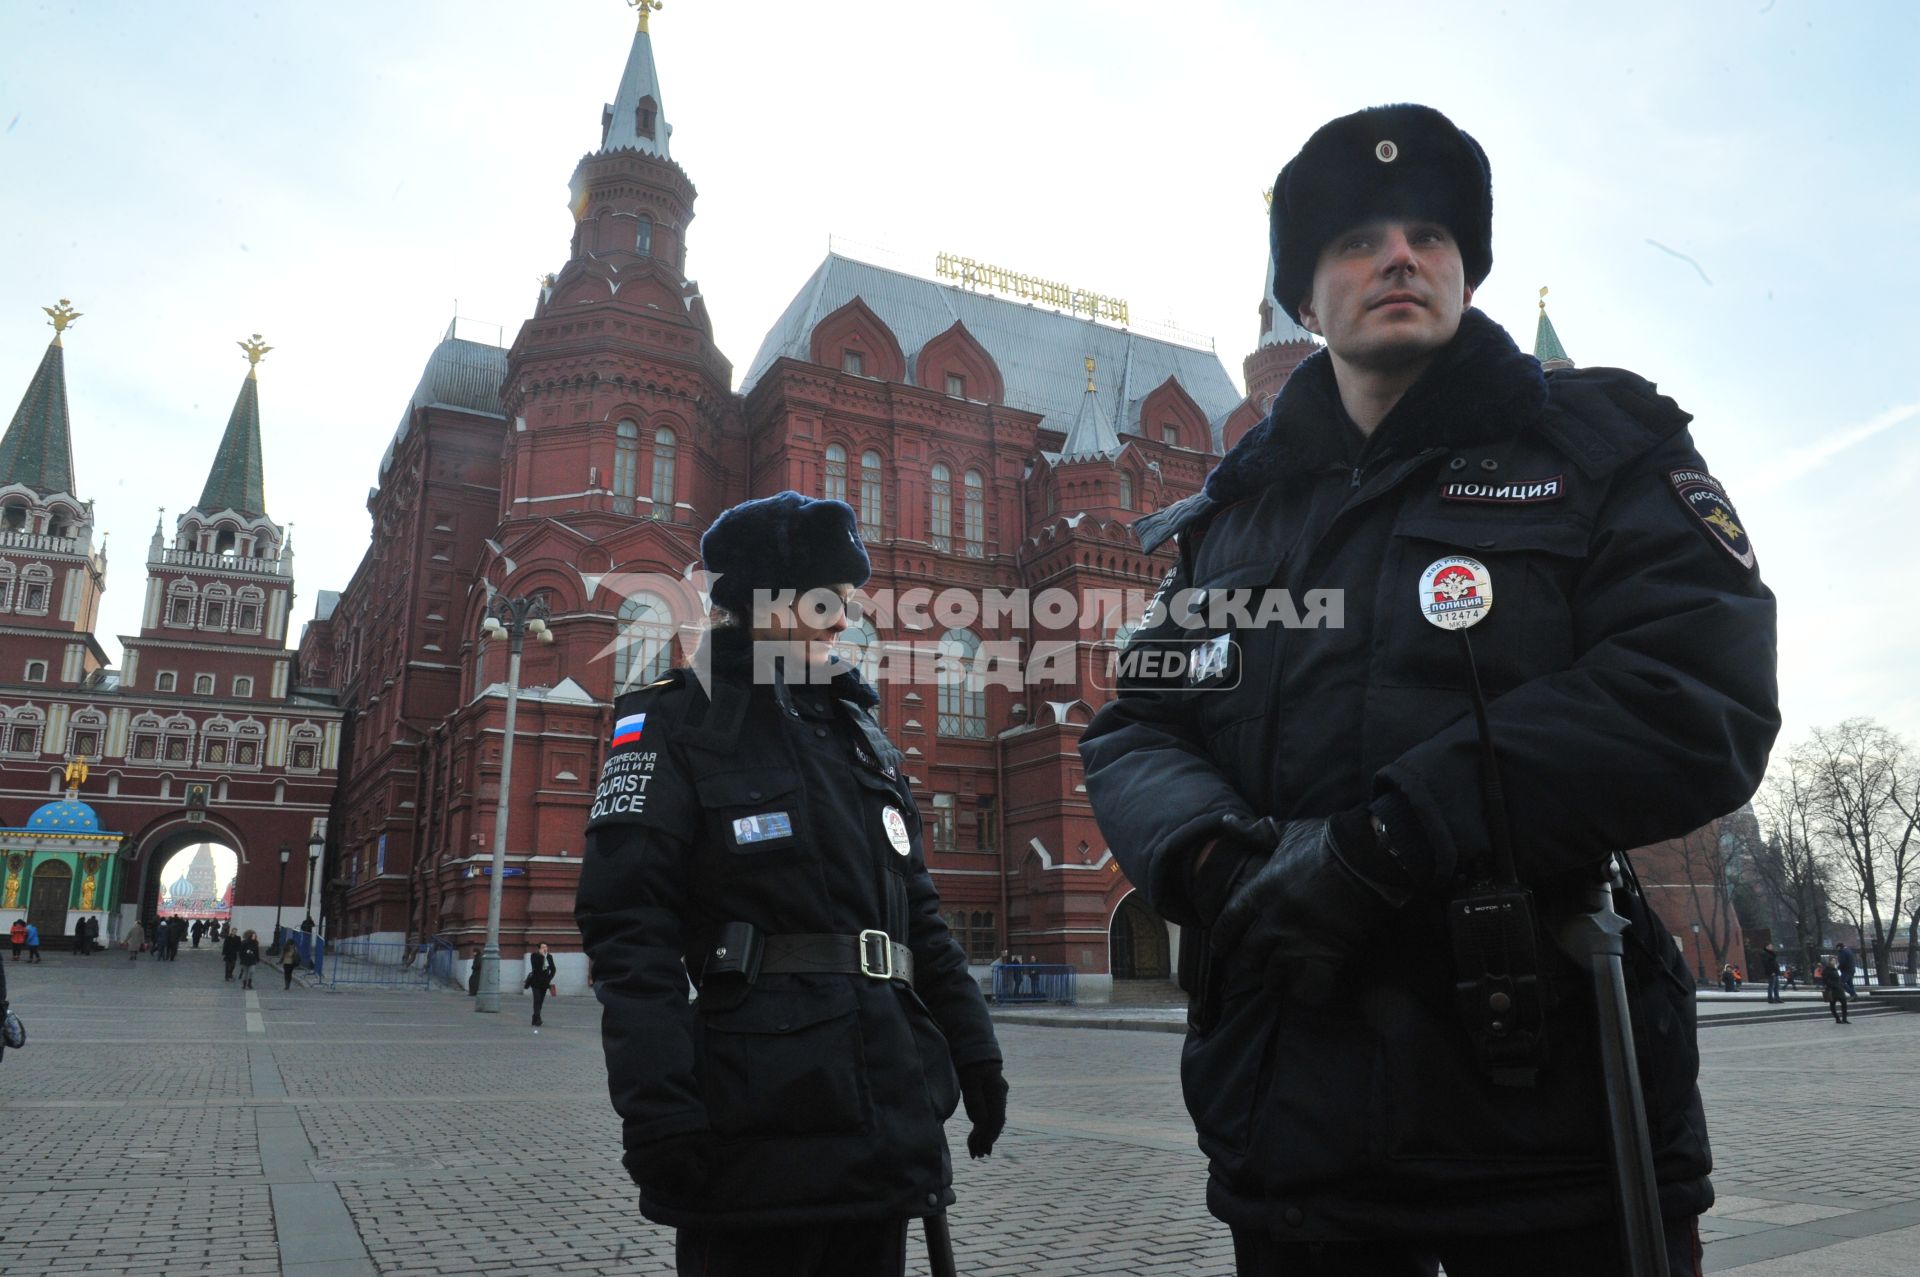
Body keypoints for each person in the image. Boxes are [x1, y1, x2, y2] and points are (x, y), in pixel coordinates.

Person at [1079, 103, 1779, 1277]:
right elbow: (1137, 720)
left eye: (1430, 235)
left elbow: (1694, 691)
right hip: (1301, 1121)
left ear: (1466, 269)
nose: (1399, 255)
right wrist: (1212, 864)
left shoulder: (1602, 446)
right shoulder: (1233, 517)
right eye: (1356, 241)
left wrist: (1394, 837)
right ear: (1304, 305)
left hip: (1554, 1122)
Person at [577, 491, 1007, 1277]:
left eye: (845, 603)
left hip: (884, 1117)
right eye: (826, 601)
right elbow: (628, 930)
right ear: (762, 601)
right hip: (752, 1127)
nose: (843, 621)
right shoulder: (674, 724)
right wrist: (659, 1109)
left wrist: (975, 1050)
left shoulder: (858, 735)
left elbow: (917, 913)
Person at [525, 943, 557, 1032]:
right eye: (543, 947)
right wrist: (542, 956)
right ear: (539, 949)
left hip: (544, 983)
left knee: (541, 1001)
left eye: (546, 947)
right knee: (537, 999)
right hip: (535, 981)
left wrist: (549, 978)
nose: (545, 949)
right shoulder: (534, 956)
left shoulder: (549, 957)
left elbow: (553, 969)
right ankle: (538, 1018)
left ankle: (535, 1017)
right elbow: (535, 966)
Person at [1819, 959, 1850, 1024]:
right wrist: (1834, 985)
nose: (1834, 962)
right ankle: (1837, 1018)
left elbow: (1838, 978)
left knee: (1844, 1003)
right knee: (1833, 1004)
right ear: (1829, 962)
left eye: (1835, 961)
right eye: (1832, 961)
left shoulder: (1834, 969)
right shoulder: (1826, 970)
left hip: (1839, 989)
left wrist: (1842, 985)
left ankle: (1844, 1018)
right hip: (1832, 990)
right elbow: (1826, 980)